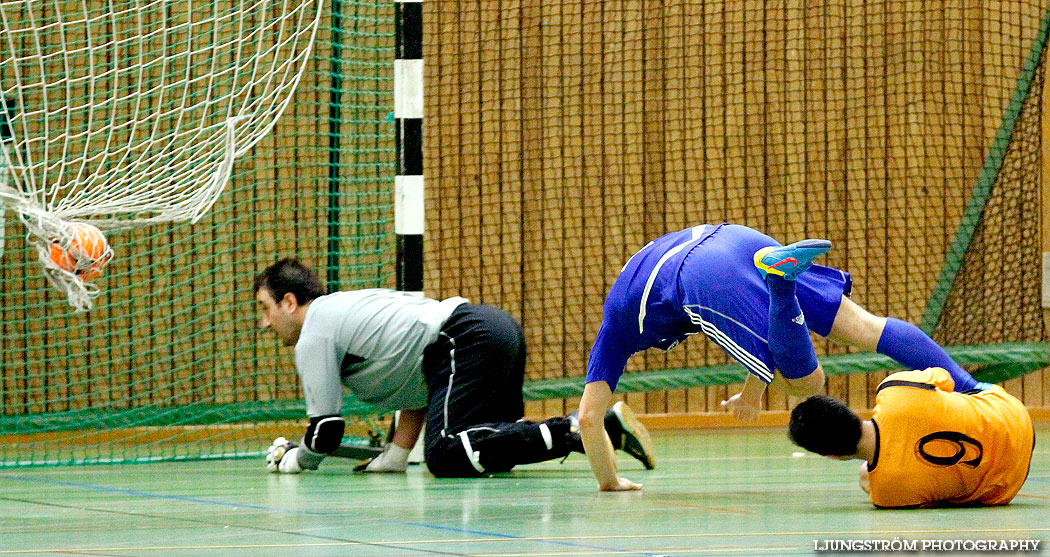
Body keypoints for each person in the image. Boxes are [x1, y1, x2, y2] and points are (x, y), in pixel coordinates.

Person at [578, 223, 980, 491]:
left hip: (701, 274)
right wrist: (751, 393)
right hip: (736, 238)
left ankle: (781, 284)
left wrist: (609, 481)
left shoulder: (614, 330)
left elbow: (589, 418)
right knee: (866, 327)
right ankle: (975, 389)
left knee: (807, 383)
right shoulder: (627, 282)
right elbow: (760, 336)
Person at [254, 258, 655, 477]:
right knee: (489, 451)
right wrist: (396, 453)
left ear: (290, 302)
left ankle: (578, 429)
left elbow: (326, 431)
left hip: (464, 338)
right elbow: (418, 383)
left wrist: (293, 460)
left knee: (445, 454)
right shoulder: (345, 313)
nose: (265, 323)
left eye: (266, 310)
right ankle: (598, 432)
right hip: (492, 330)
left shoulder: (315, 333)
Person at [789, 367, 1033, 508]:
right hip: (1014, 413)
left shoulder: (886, 494)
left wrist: (871, 477)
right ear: (846, 410)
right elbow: (945, 378)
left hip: (1010, 481)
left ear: (831, 454)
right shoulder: (894, 388)